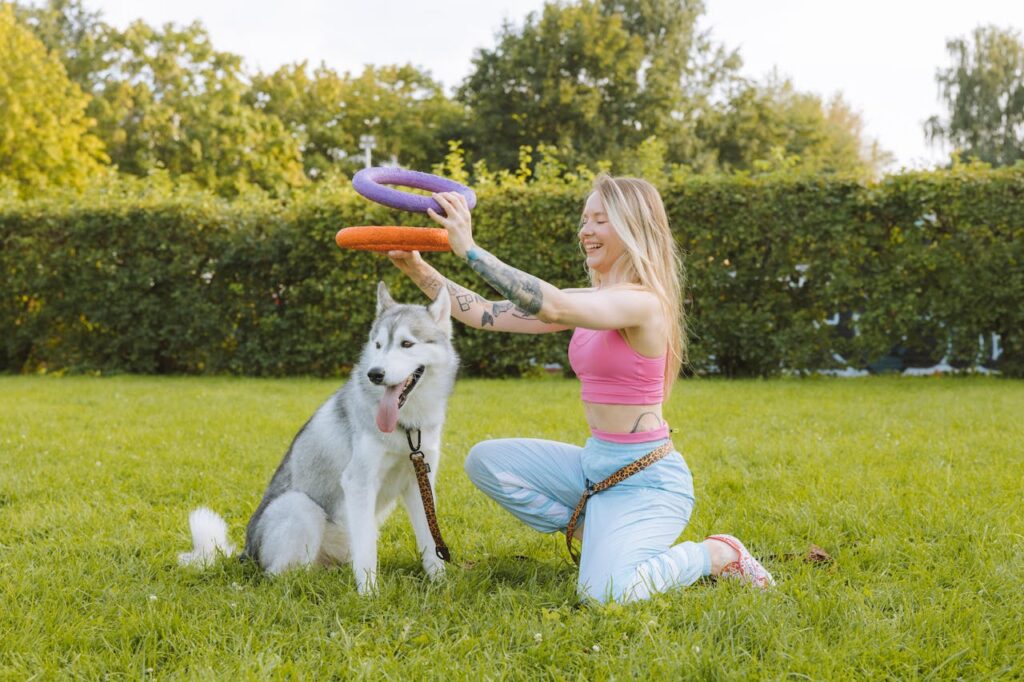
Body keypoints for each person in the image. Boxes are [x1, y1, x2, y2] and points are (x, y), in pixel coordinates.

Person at [387, 175, 773, 604]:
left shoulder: (643, 302)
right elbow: (483, 312)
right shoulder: (593, 298)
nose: (585, 231)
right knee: (486, 462)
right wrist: (419, 269)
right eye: (584, 219)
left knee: (604, 595)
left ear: (633, 228)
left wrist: (472, 250)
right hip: (595, 468)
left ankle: (715, 553)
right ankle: (594, 532)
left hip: (647, 480)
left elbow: (551, 304)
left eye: (600, 220)